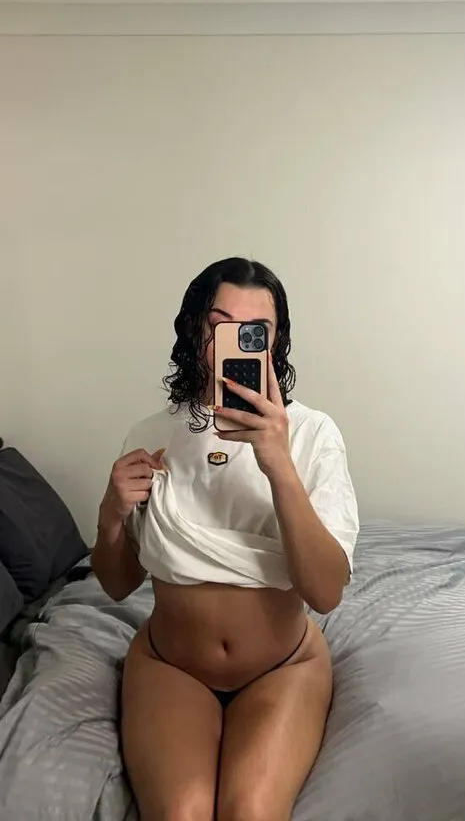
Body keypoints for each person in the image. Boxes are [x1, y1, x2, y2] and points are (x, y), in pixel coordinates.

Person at [91, 257, 359, 821]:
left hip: (283, 666)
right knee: (180, 814)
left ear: (274, 341)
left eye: (254, 330)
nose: (234, 341)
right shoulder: (151, 434)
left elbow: (326, 592)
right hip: (171, 665)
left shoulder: (312, 434)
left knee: (251, 812)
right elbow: (117, 585)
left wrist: (278, 462)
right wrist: (111, 512)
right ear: (194, 330)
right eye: (220, 325)